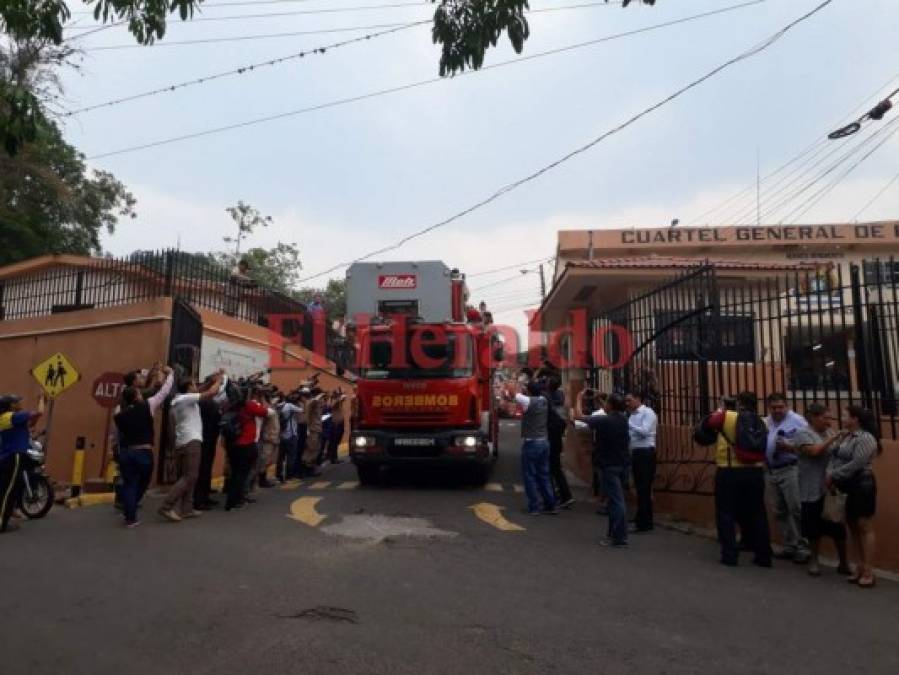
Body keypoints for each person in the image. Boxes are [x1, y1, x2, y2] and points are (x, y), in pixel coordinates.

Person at [705, 391, 772, 567]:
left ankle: (729, 554)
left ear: (738, 403)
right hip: (755, 472)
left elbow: (709, 424)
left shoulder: (726, 417)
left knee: (726, 513)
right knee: (758, 514)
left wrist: (721, 408)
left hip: (729, 470)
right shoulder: (762, 421)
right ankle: (763, 555)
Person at [159, 371, 226, 522]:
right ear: (189, 387)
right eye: (194, 384)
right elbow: (210, 392)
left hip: (184, 442)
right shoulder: (185, 399)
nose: (197, 386)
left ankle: (187, 509)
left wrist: (211, 379)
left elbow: (203, 389)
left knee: (189, 477)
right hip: (191, 442)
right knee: (190, 476)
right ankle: (166, 506)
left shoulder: (182, 399)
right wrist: (219, 380)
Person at [791, 403, 849, 577]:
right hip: (810, 488)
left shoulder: (828, 432)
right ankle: (814, 560)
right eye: (825, 418)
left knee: (837, 527)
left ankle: (844, 562)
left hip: (829, 489)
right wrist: (835, 438)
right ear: (814, 418)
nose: (828, 421)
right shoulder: (803, 434)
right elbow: (814, 451)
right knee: (813, 529)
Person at [826, 405, 880, 588]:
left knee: (864, 525)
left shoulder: (865, 438)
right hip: (847, 484)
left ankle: (869, 570)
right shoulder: (846, 436)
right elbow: (834, 454)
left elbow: (857, 463)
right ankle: (859, 565)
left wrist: (834, 474)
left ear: (855, 419)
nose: (842, 417)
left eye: (845, 415)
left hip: (861, 484)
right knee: (852, 526)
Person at [114, 367, 175, 528]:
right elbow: (163, 392)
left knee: (130, 484)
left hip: (126, 452)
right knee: (142, 482)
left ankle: (130, 515)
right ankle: (130, 508)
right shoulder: (147, 405)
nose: (141, 394)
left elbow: (118, 433)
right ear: (136, 396)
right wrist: (171, 374)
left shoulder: (119, 413)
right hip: (143, 452)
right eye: (139, 393)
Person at [572, 393, 630, 547]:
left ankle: (619, 537)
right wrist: (602, 400)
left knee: (617, 502)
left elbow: (578, 416)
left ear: (610, 406)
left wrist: (578, 398)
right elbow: (609, 409)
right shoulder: (623, 419)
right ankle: (614, 534)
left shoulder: (604, 421)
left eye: (607, 403)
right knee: (614, 501)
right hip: (621, 465)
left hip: (608, 466)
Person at [764, 393, 810, 563]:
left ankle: (803, 546)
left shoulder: (797, 421)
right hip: (771, 470)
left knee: (796, 508)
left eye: (780, 407)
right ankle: (789, 545)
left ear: (787, 406)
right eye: (773, 407)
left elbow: (809, 443)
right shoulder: (767, 421)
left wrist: (790, 446)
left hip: (790, 469)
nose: (777, 410)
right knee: (779, 510)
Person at [0, 394, 45, 533]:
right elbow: (39, 412)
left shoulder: (8, 418)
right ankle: (2, 523)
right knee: (8, 492)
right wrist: (41, 399)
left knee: (7, 489)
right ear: (11, 405)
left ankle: (6, 518)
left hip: (6, 457)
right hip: (15, 456)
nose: (20, 403)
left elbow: (31, 423)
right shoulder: (13, 416)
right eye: (17, 402)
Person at [513, 380, 557, 516]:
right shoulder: (544, 400)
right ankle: (551, 504)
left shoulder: (527, 401)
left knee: (530, 476)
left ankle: (534, 506)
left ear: (529, 391)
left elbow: (516, 395)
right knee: (544, 475)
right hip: (544, 442)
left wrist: (520, 386)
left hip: (532, 443)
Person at [225, 389, 269, 511]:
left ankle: (230, 501)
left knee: (235, 474)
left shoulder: (228, 405)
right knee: (242, 474)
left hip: (232, 444)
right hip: (246, 443)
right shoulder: (249, 405)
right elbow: (265, 412)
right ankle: (237, 501)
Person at [626, 391, 658, 533]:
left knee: (644, 488)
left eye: (630, 400)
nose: (627, 403)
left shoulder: (648, 413)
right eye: (626, 401)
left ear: (638, 399)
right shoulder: (632, 415)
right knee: (640, 488)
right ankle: (641, 517)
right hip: (636, 453)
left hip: (645, 452)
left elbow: (644, 431)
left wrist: (629, 425)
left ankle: (645, 523)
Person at [194, 380, 224, 511]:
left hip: (205, 439)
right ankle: (200, 499)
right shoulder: (209, 403)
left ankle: (204, 497)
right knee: (204, 470)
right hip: (207, 439)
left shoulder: (201, 401)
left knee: (204, 470)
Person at [545, 378, 573, 509]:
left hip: (552, 442)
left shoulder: (549, 403)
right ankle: (561, 494)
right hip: (557, 441)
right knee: (555, 469)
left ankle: (562, 496)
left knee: (553, 469)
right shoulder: (561, 400)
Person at [276, 394, 302, 482]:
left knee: (281, 457)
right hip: (291, 434)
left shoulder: (280, 406)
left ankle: (279, 475)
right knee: (291, 456)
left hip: (282, 435)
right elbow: (302, 410)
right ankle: (289, 476)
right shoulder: (291, 406)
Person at [257, 393, 280, 488]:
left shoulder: (272, 409)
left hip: (273, 437)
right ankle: (261, 480)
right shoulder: (267, 410)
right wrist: (263, 398)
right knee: (265, 459)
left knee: (269, 460)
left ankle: (263, 478)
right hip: (268, 438)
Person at [301, 389, 325, 477]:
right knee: (310, 448)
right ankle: (306, 469)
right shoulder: (311, 403)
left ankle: (311, 467)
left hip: (318, 429)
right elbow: (311, 403)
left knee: (316, 449)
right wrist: (318, 397)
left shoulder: (317, 403)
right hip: (312, 429)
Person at [328, 390, 347, 465]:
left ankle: (333, 456)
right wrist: (338, 398)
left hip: (340, 424)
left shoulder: (339, 402)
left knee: (337, 441)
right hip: (335, 424)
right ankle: (333, 458)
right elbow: (331, 406)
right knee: (334, 442)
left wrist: (341, 394)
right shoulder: (333, 402)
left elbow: (344, 397)